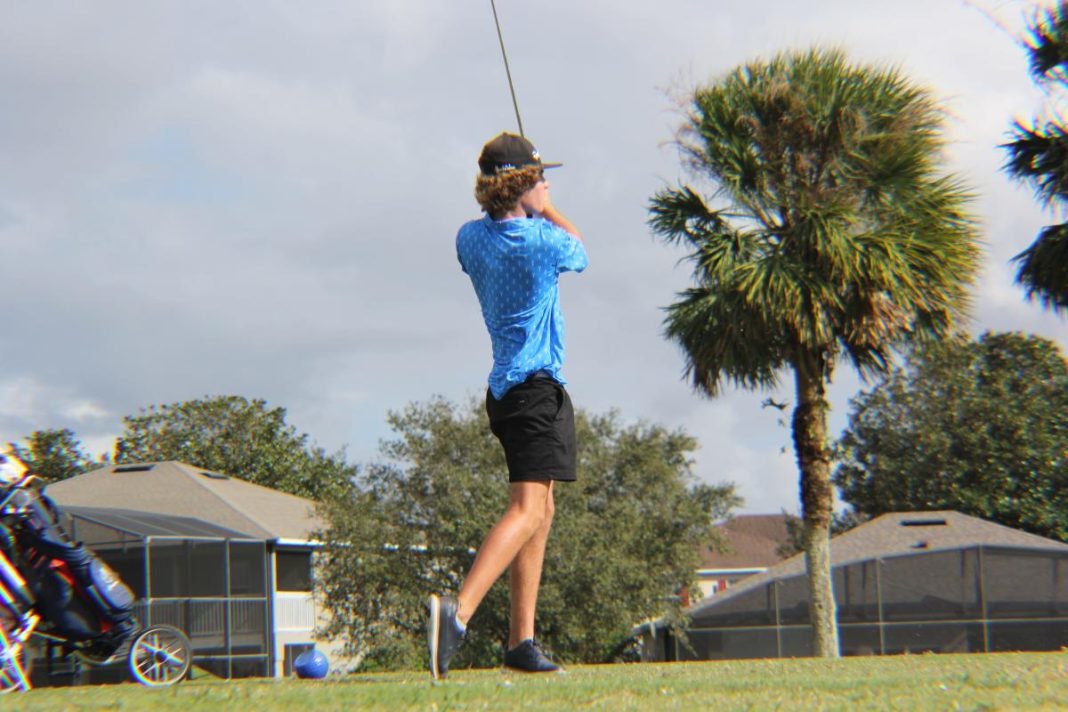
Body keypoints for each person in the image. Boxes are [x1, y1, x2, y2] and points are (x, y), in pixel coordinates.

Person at [427, 132, 588, 681]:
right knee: (526, 511)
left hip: (507, 392)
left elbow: (504, 226)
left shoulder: (469, 238)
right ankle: (459, 613)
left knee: (541, 512)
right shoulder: (542, 241)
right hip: (534, 391)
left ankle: (522, 640)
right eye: (540, 177)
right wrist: (547, 208)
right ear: (523, 186)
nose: (547, 184)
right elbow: (581, 251)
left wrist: (528, 203)